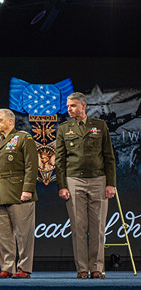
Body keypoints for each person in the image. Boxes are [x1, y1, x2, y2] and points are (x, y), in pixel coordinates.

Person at [55, 92, 116, 279]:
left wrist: (110, 183)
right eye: (67, 106)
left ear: (83, 106)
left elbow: (109, 157)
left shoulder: (100, 126)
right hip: (74, 181)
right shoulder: (64, 129)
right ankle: (82, 269)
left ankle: (96, 268)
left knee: (98, 227)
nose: (69, 109)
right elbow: (59, 160)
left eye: (73, 106)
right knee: (78, 227)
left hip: (98, 180)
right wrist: (62, 185)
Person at [0, 108, 38, 279]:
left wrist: (27, 189)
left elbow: (31, 165)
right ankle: (7, 267)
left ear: (10, 121)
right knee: (3, 235)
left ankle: (24, 268)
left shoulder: (23, 138)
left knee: (24, 234)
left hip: (18, 192)